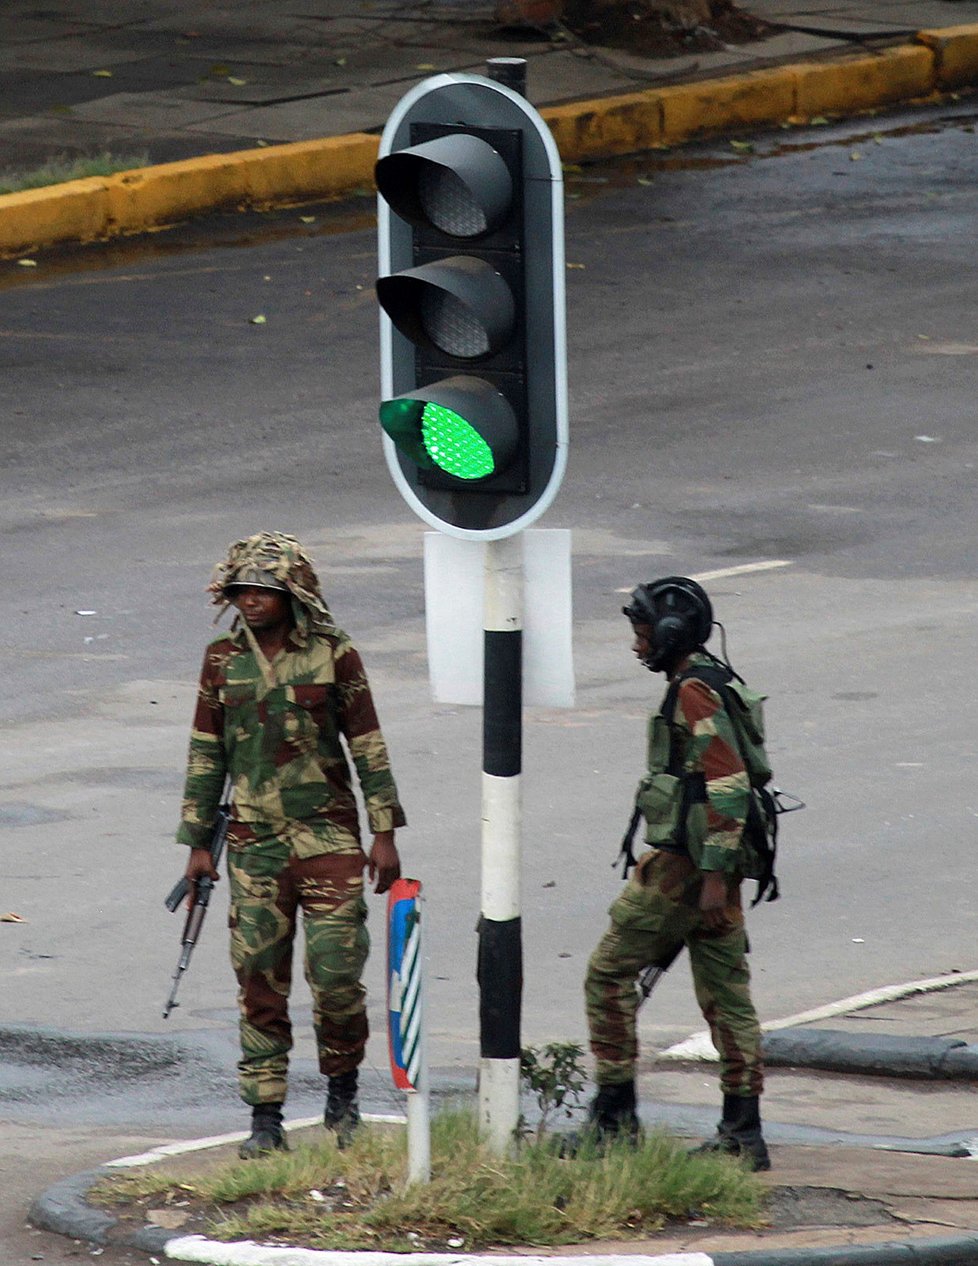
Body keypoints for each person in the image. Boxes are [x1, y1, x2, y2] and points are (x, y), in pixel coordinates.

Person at [176, 531, 406, 1158]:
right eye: (241, 590)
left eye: (263, 590)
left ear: (292, 592)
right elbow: (206, 750)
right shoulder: (222, 658)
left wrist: (383, 834)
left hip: (329, 839)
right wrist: (198, 842)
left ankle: (343, 1094)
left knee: (336, 974)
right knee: (259, 981)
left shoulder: (335, 655)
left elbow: (367, 746)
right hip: (253, 845)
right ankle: (265, 1117)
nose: (250, 600)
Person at [583, 576, 770, 1170]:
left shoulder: (694, 690)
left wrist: (712, 875)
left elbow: (729, 781)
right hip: (715, 866)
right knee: (727, 998)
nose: (637, 647)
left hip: (688, 870)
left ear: (669, 632)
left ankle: (615, 1119)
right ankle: (743, 1132)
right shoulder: (714, 679)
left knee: (606, 974)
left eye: (642, 634)